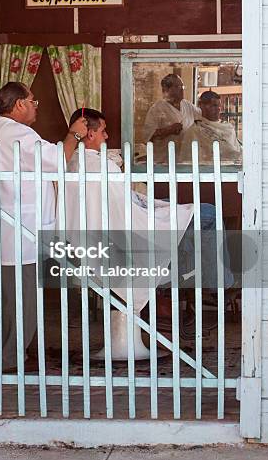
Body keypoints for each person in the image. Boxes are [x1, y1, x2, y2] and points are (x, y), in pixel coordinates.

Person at [63, 109, 233, 317]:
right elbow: (126, 208)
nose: (106, 136)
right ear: (90, 134)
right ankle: (218, 286)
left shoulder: (68, 162)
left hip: (93, 236)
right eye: (103, 131)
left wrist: (158, 205)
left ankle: (192, 283)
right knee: (210, 215)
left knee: (178, 210)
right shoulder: (101, 164)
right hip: (125, 233)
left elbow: (122, 202)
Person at [0, 81, 87, 371]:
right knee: (22, 301)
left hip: (4, 231)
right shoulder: (17, 133)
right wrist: (75, 133)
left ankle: (13, 352)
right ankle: (11, 359)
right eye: (33, 102)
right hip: (20, 231)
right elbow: (56, 160)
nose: (36, 107)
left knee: (7, 301)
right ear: (19, 105)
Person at [143, 74, 201, 163]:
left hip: (185, 160)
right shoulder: (157, 109)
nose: (182, 89)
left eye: (182, 86)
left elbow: (202, 118)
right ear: (167, 89)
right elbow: (148, 137)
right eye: (178, 86)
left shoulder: (187, 105)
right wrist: (168, 130)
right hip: (164, 161)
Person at [178, 90, 242, 164]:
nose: (218, 109)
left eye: (219, 106)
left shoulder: (228, 128)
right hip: (207, 172)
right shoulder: (195, 131)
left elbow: (237, 153)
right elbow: (188, 160)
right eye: (214, 105)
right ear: (202, 106)